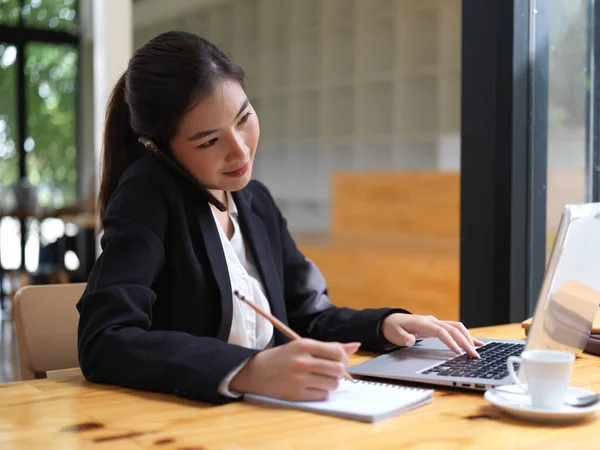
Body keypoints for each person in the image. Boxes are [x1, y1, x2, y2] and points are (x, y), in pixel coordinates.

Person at [77, 31, 483, 405]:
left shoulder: (253, 200)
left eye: (244, 119)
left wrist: (386, 324)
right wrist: (247, 370)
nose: (240, 152)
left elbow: (307, 315)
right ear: (159, 150)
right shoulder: (147, 193)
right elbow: (105, 339)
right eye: (209, 141)